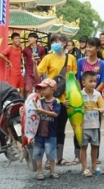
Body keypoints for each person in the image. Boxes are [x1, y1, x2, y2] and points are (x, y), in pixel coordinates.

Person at [35, 33, 77, 166]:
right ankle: (49, 159)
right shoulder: (48, 57)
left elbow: (73, 78)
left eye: (58, 41)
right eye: (53, 41)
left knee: (60, 130)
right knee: (49, 130)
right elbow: (38, 74)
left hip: (66, 100)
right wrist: (33, 63)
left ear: (64, 43)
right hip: (51, 100)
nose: (55, 43)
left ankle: (58, 157)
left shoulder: (71, 58)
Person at [33, 78, 62, 180]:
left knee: (51, 152)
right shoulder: (39, 101)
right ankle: (40, 170)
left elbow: (55, 114)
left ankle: (52, 171)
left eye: (44, 88)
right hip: (38, 132)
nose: (42, 91)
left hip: (51, 133)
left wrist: (43, 111)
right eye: (41, 89)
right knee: (38, 152)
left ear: (52, 89)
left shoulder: (56, 102)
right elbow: (31, 110)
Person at [79, 71, 104, 177]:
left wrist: (103, 110)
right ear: (83, 83)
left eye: (95, 81)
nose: (93, 83)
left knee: (95, 146)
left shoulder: (97, 94)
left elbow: (103, 108)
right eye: (90, 81)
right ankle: (85, 168)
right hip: (84, 126)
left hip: (95, 125)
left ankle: (94, 166)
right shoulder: (80, 94)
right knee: (84, 147)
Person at [22, 32, 47, 97]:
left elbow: (44, 60)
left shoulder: (41, 49)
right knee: (29, 90)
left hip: (38, 72)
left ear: (36, 39)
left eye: (31, 38)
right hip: (29, 72)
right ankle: (28, 105)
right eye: (28, 38)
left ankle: (38, 105)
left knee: (38, 90)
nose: (29, 39)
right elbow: (25, 61)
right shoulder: (25, 50)